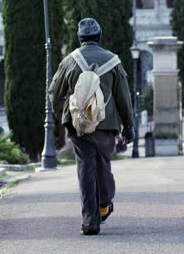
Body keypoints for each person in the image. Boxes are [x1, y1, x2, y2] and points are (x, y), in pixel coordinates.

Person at [49, 18, 134, 236]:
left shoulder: (69, 61)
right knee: (103, 164)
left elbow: (54, 93)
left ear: (80, 38)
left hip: (78, 125)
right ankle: (104, 203)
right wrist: (129, 126)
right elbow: (123, 96)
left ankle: (90, 222)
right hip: (106, 124)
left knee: (85, 168)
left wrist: (61, 112)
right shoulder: (113, 61)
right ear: (99, 37)